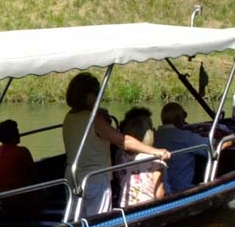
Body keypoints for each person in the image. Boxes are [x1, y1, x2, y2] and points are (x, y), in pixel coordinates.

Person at [62, 73, 170, 218]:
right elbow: (124, 141)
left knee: (79, 221)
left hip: (73, 178)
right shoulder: (93, 118)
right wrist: (155, 151)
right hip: (94, 179)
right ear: (89, 96)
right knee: (98, 224)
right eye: (98, 95)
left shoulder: (69, 117)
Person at [153, 102, 208, 193]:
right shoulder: (186, 137)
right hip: (183, 189)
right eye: (184, 115)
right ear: (179, 118)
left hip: (161, 188)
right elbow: (213, 147)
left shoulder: (154, 136)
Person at [116, 108, 165, 207]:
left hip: (125, 206)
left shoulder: (121, 157)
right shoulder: (154, 161)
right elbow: (159, 194)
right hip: (147, 207)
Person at [0, 120, 34, 195]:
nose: (19, 134)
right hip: (21, 199)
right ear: (13, 135)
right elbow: (33, 176)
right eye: (17, 132)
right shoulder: (22, 152)